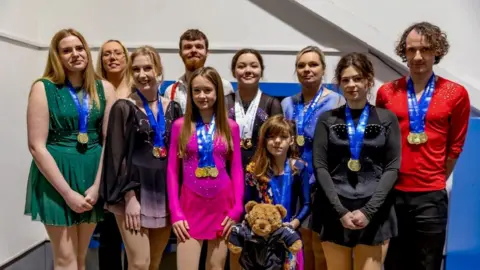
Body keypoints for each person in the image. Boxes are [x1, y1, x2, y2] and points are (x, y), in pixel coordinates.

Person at [376, 22, 471, 270]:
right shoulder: (387, 92)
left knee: (427, 264)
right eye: (411, 50)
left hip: (431, 196)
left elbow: (455, 147)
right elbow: (381, 144)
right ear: (403, 52)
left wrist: (433, 178)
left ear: (436, 51)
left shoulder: (455, 93)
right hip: (393, 195)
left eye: (425, 49)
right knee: (394, 263)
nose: (417, 56)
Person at [24, 28, 116, 270]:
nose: (75, 54)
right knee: (65, 260)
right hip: (56, 179)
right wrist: (67, 193)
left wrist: (97, 186)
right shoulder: (43, 88)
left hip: (91, 176)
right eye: (67, 50)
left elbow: (110, 142)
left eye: (79, 48)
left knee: (80, 257)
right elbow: (36, 146)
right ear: (57, 56)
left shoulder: (105, 89)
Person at [312, 52, 401, 270]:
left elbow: (392, 167)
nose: (352, 84)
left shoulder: (387, 118)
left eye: (358, 78)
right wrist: (340, 211)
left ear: (369, 80)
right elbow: (320, 166)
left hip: (374, 208)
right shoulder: (327, 119)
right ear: (339, 83)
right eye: (346, 80)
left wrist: (369, 211)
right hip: (335, 208)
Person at [101, 46, 183, 270]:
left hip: (163, 192)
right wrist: (129, 197)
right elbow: (115, 157)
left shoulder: (174, 108)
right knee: (139, 263)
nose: (142, 74)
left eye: (148, 68)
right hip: (134, 192)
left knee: (154, 263)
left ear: (158, 69)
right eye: (136, 69)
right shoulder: (123, 107)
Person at [167, 67, 244, 270]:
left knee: (216, 267)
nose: (202, 96)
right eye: (197, 90)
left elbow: (236, 170)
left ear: (218, 92)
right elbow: (172, 172)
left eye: (208, 90)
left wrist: (237, 208)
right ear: (190, 93)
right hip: (190, 206)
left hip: (222, 206)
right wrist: (175, 212)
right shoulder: (179, 126)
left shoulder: (231, 127)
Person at [282, 45, 344, 270]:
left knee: (320, 246)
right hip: (295, 182)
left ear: (323, 68)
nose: (307, 69)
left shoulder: (336, 102)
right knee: (301, 244)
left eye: (313, 64)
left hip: (323, 181)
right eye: (301, 65)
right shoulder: (287, 103)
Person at [226, 48, 283, 270]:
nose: (247, 70)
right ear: (233, 71)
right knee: (233, 238)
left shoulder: (271, 103)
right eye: (241, 66)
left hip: (261, 178)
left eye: (253, 65)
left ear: (261, 70)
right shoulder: (226, 102)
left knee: (261, 238)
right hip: (229, 177)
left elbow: (276, 144)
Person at [244, 114, 310, 269]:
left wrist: (293, 224)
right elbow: (247, 203)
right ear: (264, 140)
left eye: (283, 136)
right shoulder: (254, 170)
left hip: (288, 236)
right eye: (272, 137)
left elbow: (307, 203)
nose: (278, 141)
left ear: (291, 140)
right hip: (260, 238)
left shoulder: (299, 168)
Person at [96, 39, 131, 270]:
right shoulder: (94, 88)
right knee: (108, 236)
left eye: (118, 53)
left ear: (126, 58)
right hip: (103, 169)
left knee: (133, 234)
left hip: (131, 169)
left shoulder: (138, 87)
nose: (112, 57)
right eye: (107, 54)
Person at [163, 29, 234, 113]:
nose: (193, 50)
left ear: (207, 52)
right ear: (180, 53)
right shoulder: (171, 91)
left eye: (199, 47)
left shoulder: (224, 87)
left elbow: (229, 121)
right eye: (188, 47)